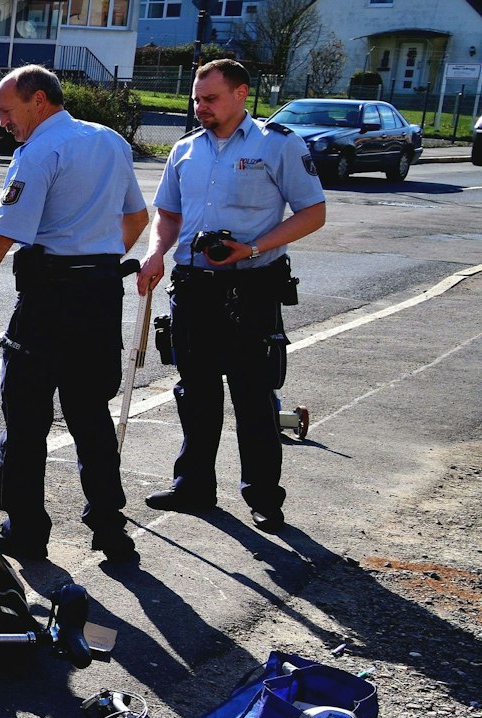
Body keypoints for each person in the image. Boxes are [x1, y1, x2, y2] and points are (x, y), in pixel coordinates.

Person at [0, 65, 148, 566]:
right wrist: (98, 262)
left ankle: (26, 531)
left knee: (25, 421)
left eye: (6, 111)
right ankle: (110, 528)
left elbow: (0, 238)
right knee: (91, 418)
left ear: (38, 100)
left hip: (49, 305)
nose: (2, 122)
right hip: (100, 300)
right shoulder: (110, 142)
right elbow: (136, 218)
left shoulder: (39, 152)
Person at [136, 58, 325, 533]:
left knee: (253, 395)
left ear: (241, 94)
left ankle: (263, 497)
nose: (201, 107)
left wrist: (254, 246)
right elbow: (168, 215)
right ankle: (194, 486)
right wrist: (156, 254)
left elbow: (313, 211)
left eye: (211, 98)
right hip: (193, 285)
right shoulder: (184, 151)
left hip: (252, 285)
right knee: (194, 391)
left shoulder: (277, 144)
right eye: (197, 99)